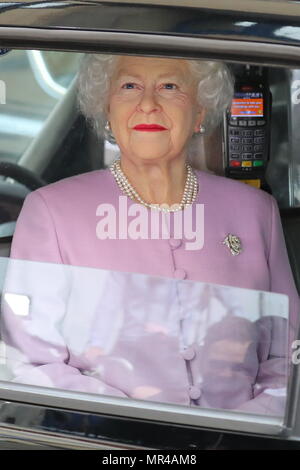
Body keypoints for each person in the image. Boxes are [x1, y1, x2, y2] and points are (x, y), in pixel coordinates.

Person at [0, 54, 299, 415]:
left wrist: (246, 425)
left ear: (200, 112)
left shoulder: (255, 210)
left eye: (169, 86)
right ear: (107, 110)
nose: (147, 104)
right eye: (129, 86)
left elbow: (288, 352)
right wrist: (136, 427)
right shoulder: (51, 211)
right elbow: (30, 362)